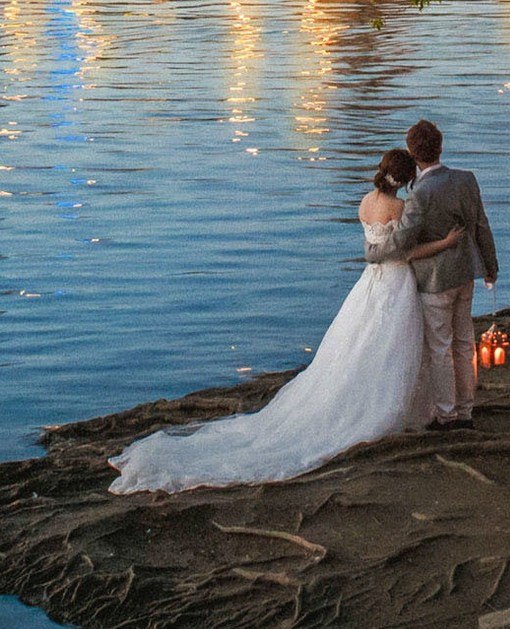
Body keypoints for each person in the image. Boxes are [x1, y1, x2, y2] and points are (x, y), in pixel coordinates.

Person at [107, 148, 461, 494]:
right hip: (396, 282)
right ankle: (397, 406)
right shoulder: (400, 208)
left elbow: (374, 247)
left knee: (359, 343)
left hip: (369, 284)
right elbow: (406, 251)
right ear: (406, 178)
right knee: (394, 345)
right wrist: (445, 242)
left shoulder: (365, 203)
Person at [397, 119, 499, 429]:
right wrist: (490, 267)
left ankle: (446, 413)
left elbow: (404, 241)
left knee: (440, 346)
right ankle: (466, 409)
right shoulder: (466, 179)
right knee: (465, 341)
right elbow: (481, 224)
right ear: (441, 147)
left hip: (435, 280)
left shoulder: (420, 194)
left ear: (413, 155)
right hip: (465, 272)